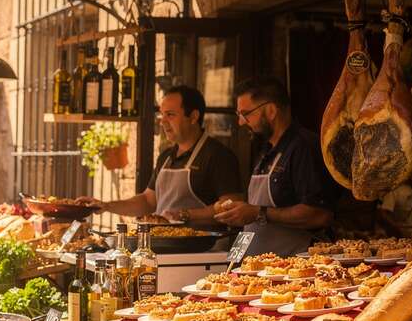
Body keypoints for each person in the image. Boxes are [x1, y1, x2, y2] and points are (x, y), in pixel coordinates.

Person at [78, 85, 242, 226]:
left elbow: (231, 206)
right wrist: (106, 206)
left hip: (204, 253)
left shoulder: (218, 156)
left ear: (193, 117)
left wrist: (185, 215)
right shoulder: (166, 157)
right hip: (165, 249)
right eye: (161, 114)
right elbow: (148, 201)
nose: (162, 121)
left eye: (170, 115)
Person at [214, 76, 340, 256]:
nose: (241, 122)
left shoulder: (303, 147)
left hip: (291, 272)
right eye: (239, 115)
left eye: (246, 114)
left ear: (271, 111)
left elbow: (319, 214)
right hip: (253, 269)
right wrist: (237, 212)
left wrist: (259, 213)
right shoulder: (266, 150)